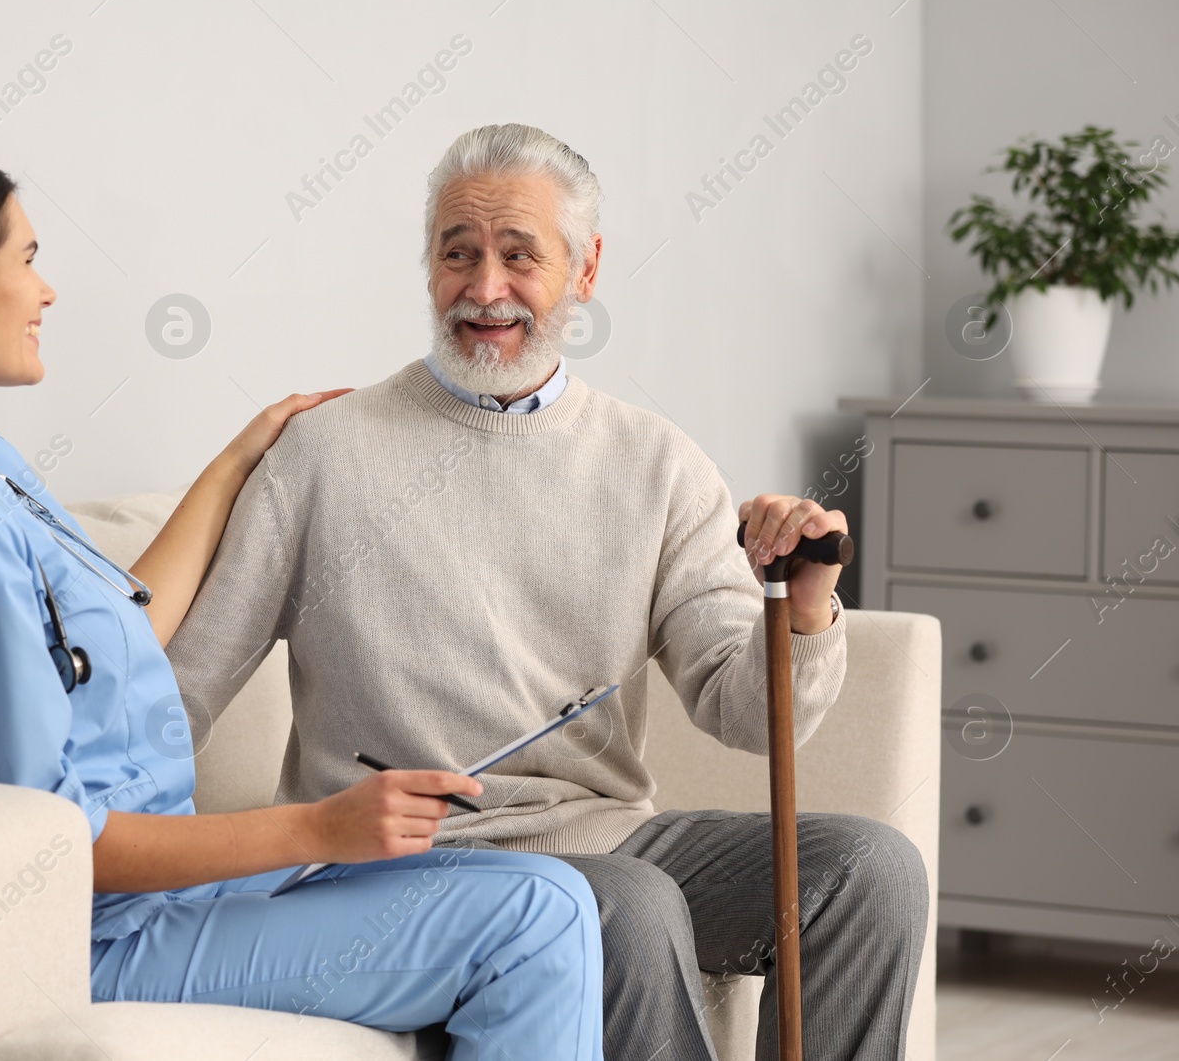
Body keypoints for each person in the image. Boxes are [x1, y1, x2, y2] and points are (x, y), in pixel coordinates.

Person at [0, 145, 605, 1059]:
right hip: (99, 935)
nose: (46, 291)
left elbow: (119, 629)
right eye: (25, 258)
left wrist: (236, 460)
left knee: (543, 893)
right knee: (533, 912)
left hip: (159, 906)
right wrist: (316, 828)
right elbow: (52, 841)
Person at [165, 123, 929, 1061]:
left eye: (520, 255)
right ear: (428, 264)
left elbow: (749, 714)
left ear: (586, 267)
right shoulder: (324, 454)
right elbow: (179, 693)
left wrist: (805, 601)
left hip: (607, 841)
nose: (485, 289)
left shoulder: (656, 462)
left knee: (870, 869)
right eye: (459, 254)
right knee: (627, 904)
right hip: (404, 867)